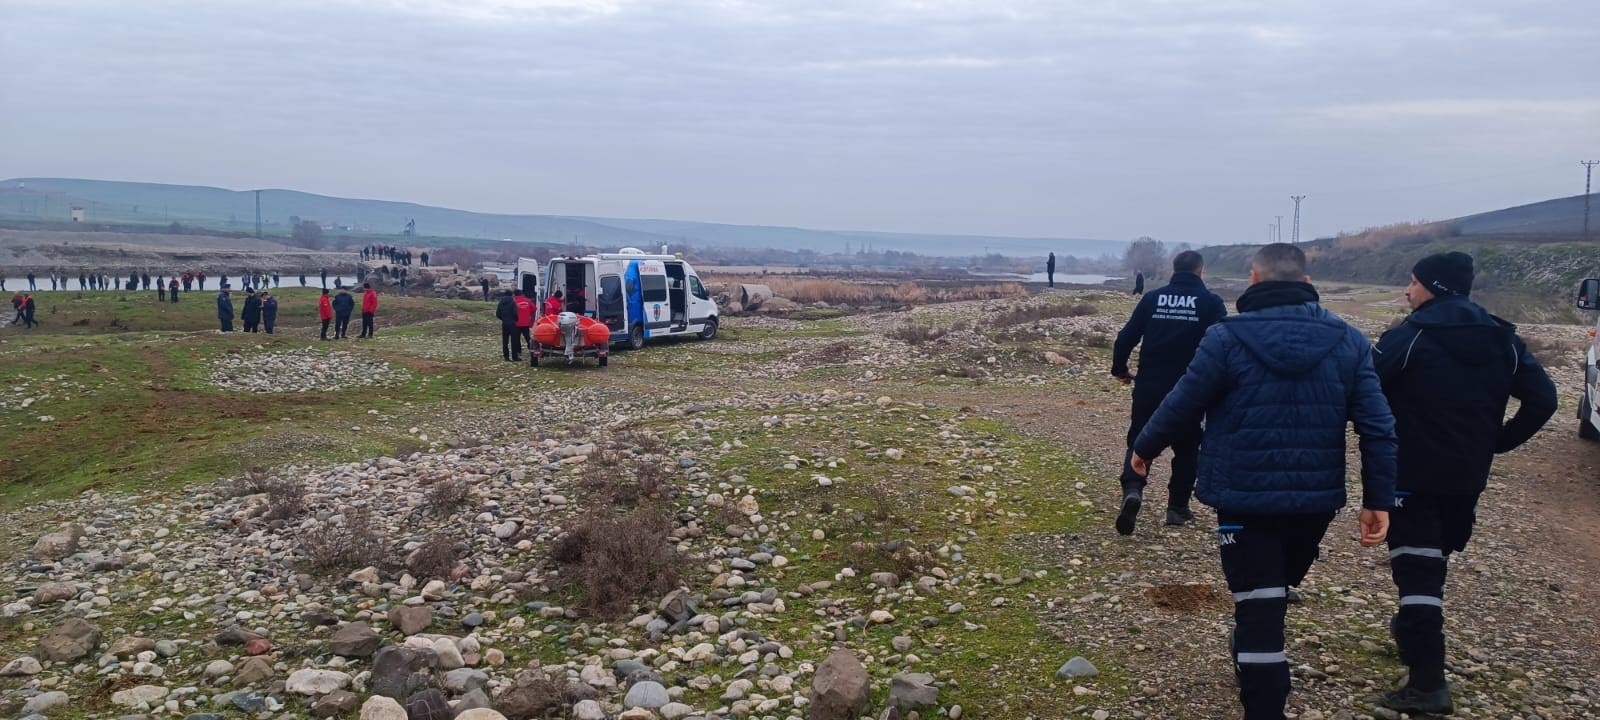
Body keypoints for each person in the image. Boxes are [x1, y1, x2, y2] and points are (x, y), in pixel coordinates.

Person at [1129, 244, 1395, 720]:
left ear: (1253, 280)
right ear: (1308, 283)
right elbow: (1377, 426)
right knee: (1266, 604)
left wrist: (1144, 448)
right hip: (1314, 502)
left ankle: (1261, 676)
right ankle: (1261, 673)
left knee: (1261, 604)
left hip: (1243, 496)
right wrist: (1377, 498)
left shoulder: (1226, 337)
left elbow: (1184, 401)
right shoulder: (1350, 340)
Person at [1371, 252, 1558, 716]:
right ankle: (1415, 634)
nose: (1407, 291)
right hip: (1465, 478)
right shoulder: (1504, 339)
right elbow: (1544, 400)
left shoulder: (1409, 337)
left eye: (1412, 283)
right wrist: (1497, 444)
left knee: (1418, 575)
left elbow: (1363, 389)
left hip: (1410, 475)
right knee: (1433, 564)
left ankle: (1427, 685)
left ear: (1432, 286)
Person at [1110, 250, 1227, 532]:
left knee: (1139, 438)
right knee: (1187, 448)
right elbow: (1225, 344)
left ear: (1173, 271)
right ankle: (1177, 507)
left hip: (1150, 385)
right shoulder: (1211, 303)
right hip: (1192, 388)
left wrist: (1120, 369)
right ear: (1201, 272)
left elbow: (1126, 337)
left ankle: (1133, 490)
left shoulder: (1153, 298)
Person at [496, 290, 520, 361]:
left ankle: (506, 356)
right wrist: (515, 320)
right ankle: (514, 357)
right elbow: (515, 313)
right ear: (511, 295)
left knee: (505, 341)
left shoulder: (500, 302)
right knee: (514, 341)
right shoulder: (513, 302)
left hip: (505, 323)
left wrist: (503, 319)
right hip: (512, 323)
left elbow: (498, 314)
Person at [515, 289, 536, 362]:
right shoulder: (527, 300)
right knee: (527, 337)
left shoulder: (514, 301)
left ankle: (518, 351)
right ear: (522, 294)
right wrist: (529, 313)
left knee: (517, 338)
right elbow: (534, 308)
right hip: (526, 322)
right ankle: (531, 349)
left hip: (517, 323)